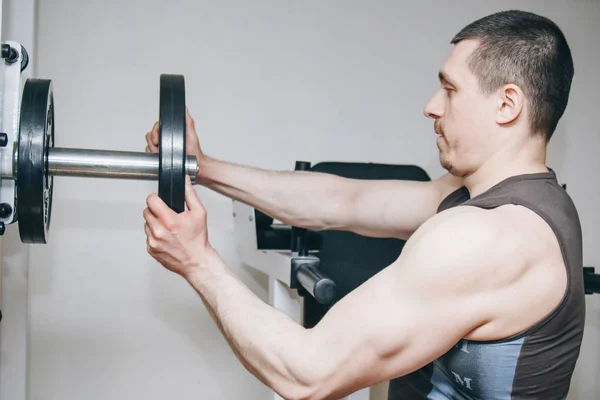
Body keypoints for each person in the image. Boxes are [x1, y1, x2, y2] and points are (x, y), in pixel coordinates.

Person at [142, 9, 584, 400]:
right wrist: (202, 167)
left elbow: (307, 373)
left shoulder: (490, 236)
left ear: (507, 104)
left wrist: (197, 262)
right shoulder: (505, 199)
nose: (431, 107)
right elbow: (345, 200)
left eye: (449, 90)